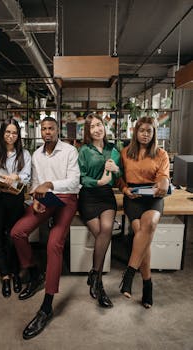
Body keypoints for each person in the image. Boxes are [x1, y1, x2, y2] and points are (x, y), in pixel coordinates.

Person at [10, 116, 80, 340]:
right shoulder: (37, 155)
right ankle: (34, 273)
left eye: (51, 128)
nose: (47, 132)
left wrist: (50, 184)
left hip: (67, 199)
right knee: (17, 232)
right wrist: (35, 200)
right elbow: (35, 183)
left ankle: (47, 306)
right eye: (44, 128)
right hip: (45, 200)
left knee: (53, 245)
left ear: (57, 130)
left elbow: (74, 181)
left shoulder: (69, 151)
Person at [118, 116, 170, 308]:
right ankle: (147, 284)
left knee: (148, 225)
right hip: (133, 198)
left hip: (153, 198)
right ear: (135, 132)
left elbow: (164, 177)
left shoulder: (161, 154)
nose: (145, 134)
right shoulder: (125, 153)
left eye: (149, 131)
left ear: (154, 133)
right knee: (143, 235)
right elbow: (119, 177)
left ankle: (129, 274)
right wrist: (124, 189)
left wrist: (164, 183)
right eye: (142, 131)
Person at [0, 118, 31, 298]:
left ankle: (16, 274)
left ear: (18, 135)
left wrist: (16, 177)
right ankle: (4, 276)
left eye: (14, 132)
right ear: (2, 134)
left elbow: (27, 176)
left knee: (13, 237)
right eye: (7, 132)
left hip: (15, 200)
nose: (11, 136)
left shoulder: (24, 154)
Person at [78, 113, 121, 308]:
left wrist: (116, 170)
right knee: (103, 237)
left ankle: (96, 277)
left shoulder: (113, 149)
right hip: (88, 196)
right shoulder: (84, 150)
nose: (97, 129)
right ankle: (98, 281)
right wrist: (98, 181)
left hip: (106, 197)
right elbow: (81, 177)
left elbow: (120, 177)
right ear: (88, 131)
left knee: (106, 230)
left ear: (104, 126)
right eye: (92, 126)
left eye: (99, 124)